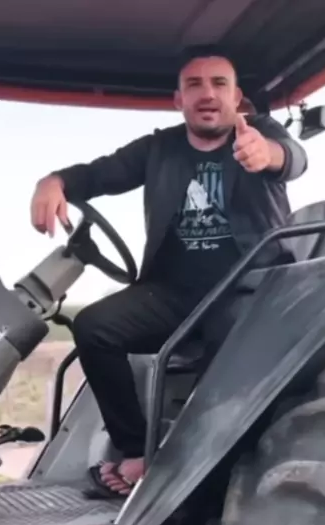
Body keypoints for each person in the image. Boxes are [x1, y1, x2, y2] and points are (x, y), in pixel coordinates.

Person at [30, 46, 308, 499]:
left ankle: (201, 468)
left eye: (219, 84)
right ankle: (137, 450)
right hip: (173, 293)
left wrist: (269, 154)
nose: (207, 94)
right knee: (94, 327)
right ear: (179, 100)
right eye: (194, 85)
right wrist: (54, 181)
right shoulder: (159, 149)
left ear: (236, 97)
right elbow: (99, 174)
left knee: (230, 340)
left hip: (248, 289)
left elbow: (292, 157)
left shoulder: (258, 135)